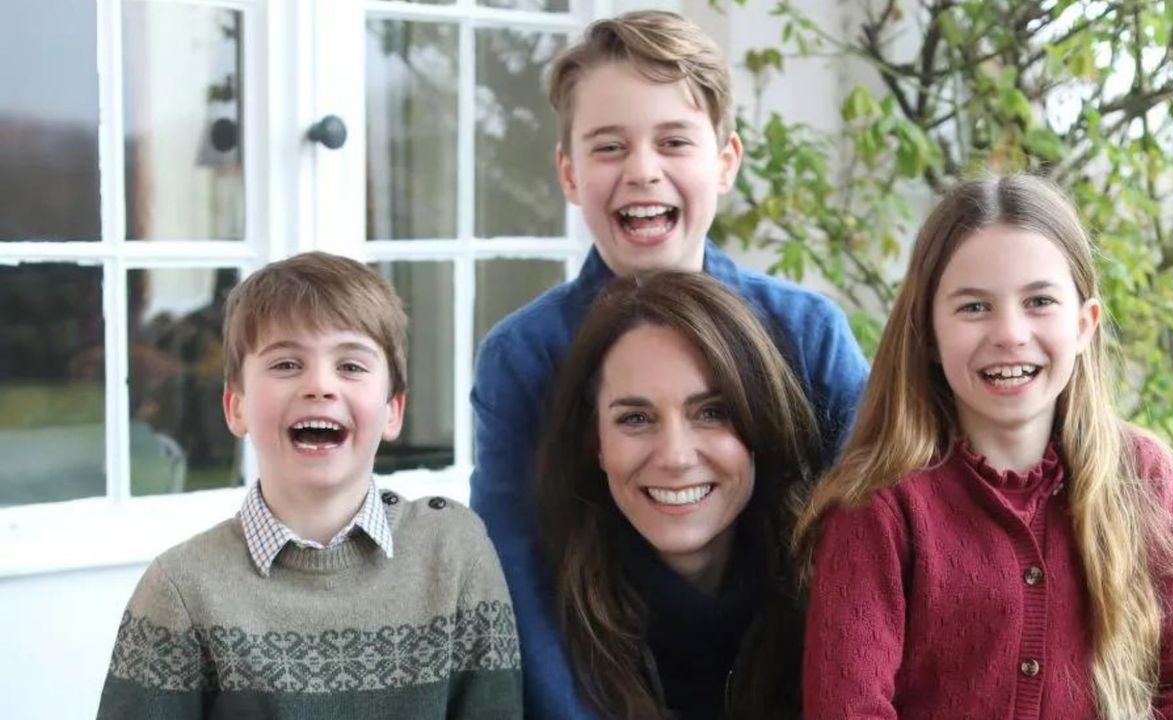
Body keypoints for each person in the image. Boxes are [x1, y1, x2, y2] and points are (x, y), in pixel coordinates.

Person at [469, 10, 869, 719]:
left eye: (674, 141)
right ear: (568, 173)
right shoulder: (523, 358)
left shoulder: (807, 336)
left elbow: (871, 548)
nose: (642, 171)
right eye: (609, 147)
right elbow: (518, 584)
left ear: (725, 162)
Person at [799, 175, 1173, 719]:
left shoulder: (1143, 477)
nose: (1010, 332)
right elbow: (848, 709)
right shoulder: (879, 509)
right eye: (974, 308)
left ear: (1084, 326)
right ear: (929, 334)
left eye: (1039, 301)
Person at [98, 252, 521, 719]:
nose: (320, 386)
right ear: (235, 407)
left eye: (352, 367)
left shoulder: (455, 552)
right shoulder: (179, 590)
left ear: (392, 411)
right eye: (286, 364)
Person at [537, 271, 821, 719]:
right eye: (635, 419)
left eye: (712, 412)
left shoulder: (828, 594)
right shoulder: (540, 621)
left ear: (760, 424)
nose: (675, 457)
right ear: (596, 443)